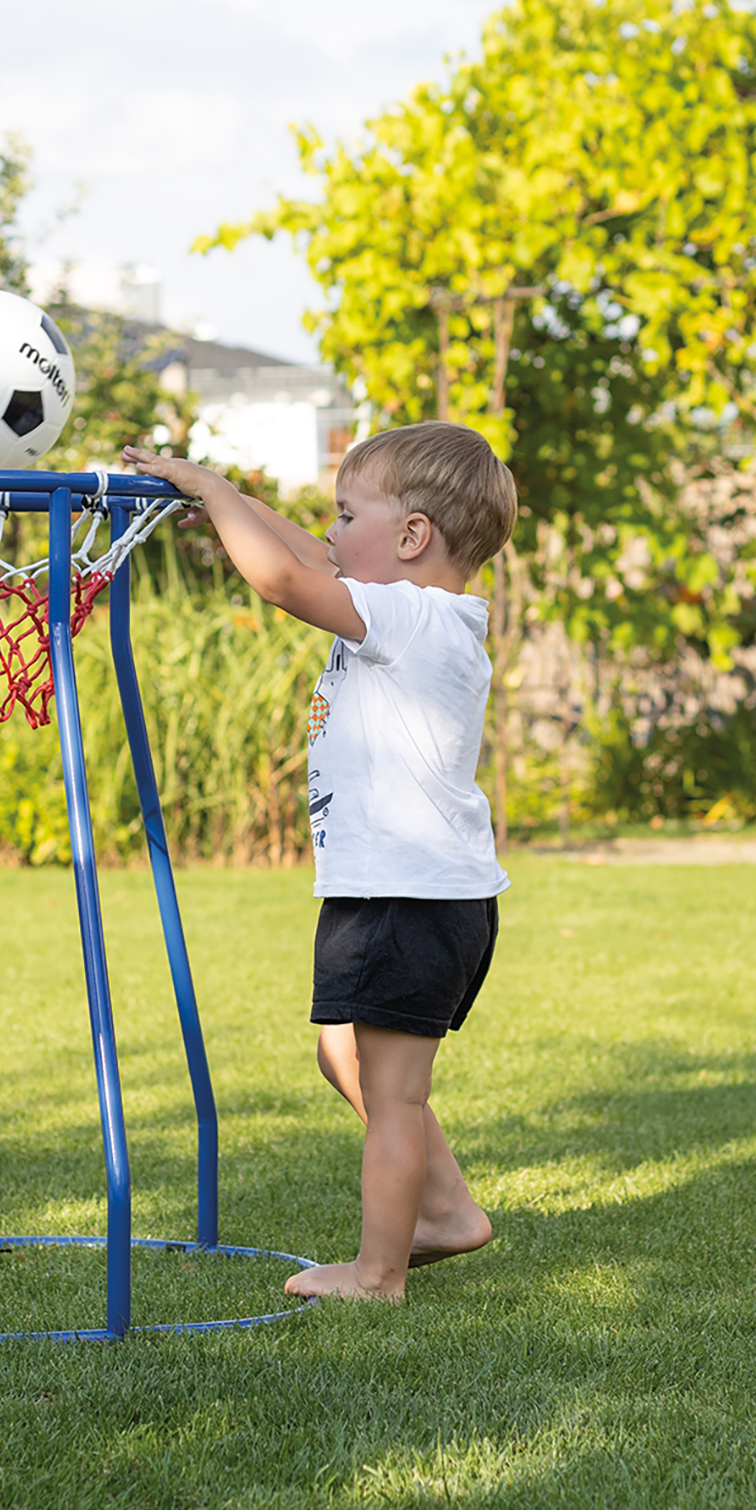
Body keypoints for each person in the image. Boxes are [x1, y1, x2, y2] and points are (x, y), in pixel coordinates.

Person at [122, 423, 517, 1302]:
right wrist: (228, 499)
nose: (330, 529)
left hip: (403, 899)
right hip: (408, 895)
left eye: (346, 513)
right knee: (346, 1057)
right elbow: (314, 557)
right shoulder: (421, 611)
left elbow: (288, 579)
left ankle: (379, 1274)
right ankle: (447, 1212)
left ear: (413, 537)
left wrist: (216, 495)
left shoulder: (407, 617)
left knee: (395, 1094)